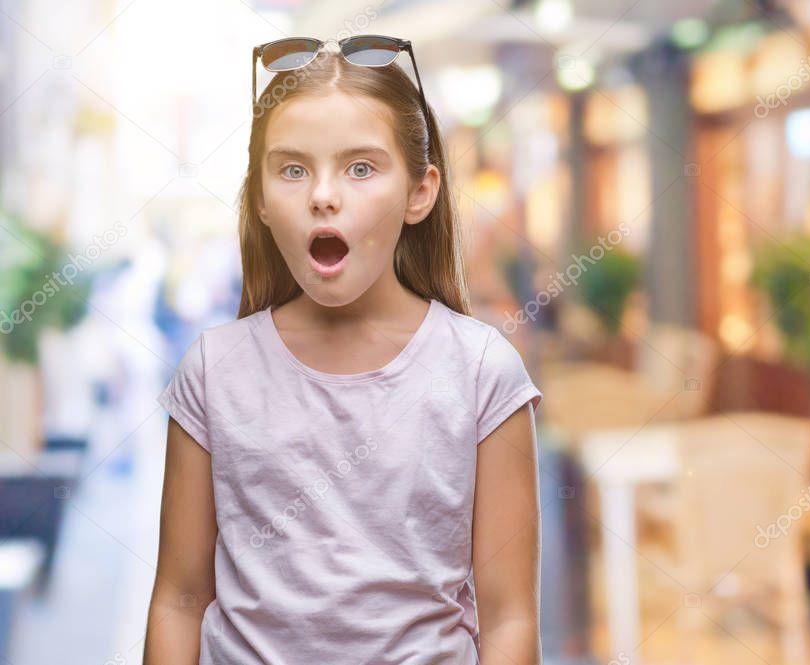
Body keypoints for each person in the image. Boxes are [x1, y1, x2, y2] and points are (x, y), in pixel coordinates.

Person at [142, 35, 542, 665]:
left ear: (420, 192)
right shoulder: (212, 371)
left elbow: (510, 616)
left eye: (361, 167)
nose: (323, 195)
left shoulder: (482, 371)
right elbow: (179, 598)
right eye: (292, 168)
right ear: (261, 200)